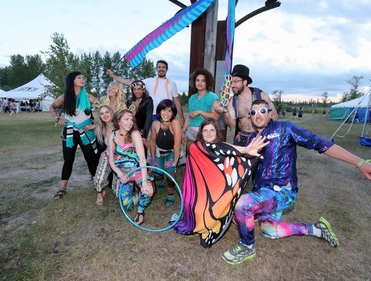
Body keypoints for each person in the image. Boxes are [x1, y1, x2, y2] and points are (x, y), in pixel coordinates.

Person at [222, 99, 371, 265]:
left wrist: (359, 163)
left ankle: (247, 247)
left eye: (262, 111)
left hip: (283, 192)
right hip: (263, 194)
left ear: (271, 113)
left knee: (243, 205)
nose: (258, 116)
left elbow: (321, 144)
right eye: (253, 112)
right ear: (249, 117)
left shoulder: (285, 128)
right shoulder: (251, 140)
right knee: (269, 231)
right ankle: (316, 229)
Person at [174, 118, 269, 248]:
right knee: (201, 212)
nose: (208, 133)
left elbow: (225, 149)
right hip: (198, 193)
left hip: (215, 191)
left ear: (216, 132)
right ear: (201, 133)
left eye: (211, 130)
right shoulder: (196, 146)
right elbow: (219, 148)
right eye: (205, 130)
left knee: (215, 211)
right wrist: (245, 149)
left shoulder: (220, 149)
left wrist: (246, 152)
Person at [50, 71, 99, 199]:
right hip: (70, 131)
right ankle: (62, 188)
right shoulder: (64, 97)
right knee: (68, 160)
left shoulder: (89, 97)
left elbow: (105, 109)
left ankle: (97, 184)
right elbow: (52, 107)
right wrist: (57, 119)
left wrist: (96, 125)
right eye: (79, 77)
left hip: (86, 131)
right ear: (72, 80)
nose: (82, 79)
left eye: (83, 77)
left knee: (91, 159)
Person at [108, 109, 154, 225]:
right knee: (127, 205)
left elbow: (142, 159)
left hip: (137, 170)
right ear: (119, 121)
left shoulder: (135, 134)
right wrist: (120, 174)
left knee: (148, 191)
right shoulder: (112, 136)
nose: (130, 122)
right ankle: (140, 194)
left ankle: (140, 211)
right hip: (123, 174)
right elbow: (111, 160)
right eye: (126, 119)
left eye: (131, 119)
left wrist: (144, 182)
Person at [214, 64, 278, 146]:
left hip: (260, 137)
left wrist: (265, 133)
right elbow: (232, 125)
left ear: (245, 82)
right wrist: (225, 113)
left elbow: (274, 117)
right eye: (231, 82)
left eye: (236, 81)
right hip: (242, 138)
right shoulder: (232, 101)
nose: (232, 85)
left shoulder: (261, 95)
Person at [107, 60, 184, 123]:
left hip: (166, 115)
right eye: (159, 67)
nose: (161, 69)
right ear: (156, 69)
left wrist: (182, 118)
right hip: (151, 114)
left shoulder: (172, 83)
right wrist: (113, 76)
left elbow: (176, 101)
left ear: (166, 69)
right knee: (151, 139)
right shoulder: (149, 81)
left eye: (163, 67)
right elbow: (130, 83)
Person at [149, 99, 182, 206]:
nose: (166, 114)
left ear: (173, 113)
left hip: (172, 151)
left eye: (169, 111)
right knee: (157, 171)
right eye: (164, 110)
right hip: (160, 151)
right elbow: (153, 142)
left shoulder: (175, 123)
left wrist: (174, 162)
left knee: (170, 171)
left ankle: (170, 195)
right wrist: (153, 159)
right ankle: (161, 179)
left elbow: (177, 145)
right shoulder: (155, 124)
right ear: (159, 111)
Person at [182, 69, 220, 151]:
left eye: (203, 81)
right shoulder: (192, 98)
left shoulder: (213, 97)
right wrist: (183, 131)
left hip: (205, 134)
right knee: (190, 158)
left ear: (207, 82)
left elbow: (216, 117)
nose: (200, 83)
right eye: (197, 80)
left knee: (202, 160)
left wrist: (200, 112)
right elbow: (189, 115)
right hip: (190, 133)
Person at [93, 104, 116, 205]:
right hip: (108, 153)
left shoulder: (119, 124)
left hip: (122, 154)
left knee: (119, 191)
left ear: (111, 112)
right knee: (98, 177)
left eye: (107, 112)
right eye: (102, 113)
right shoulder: (100, 129)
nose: (105, 115)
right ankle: (99, 193)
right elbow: (101, 144)